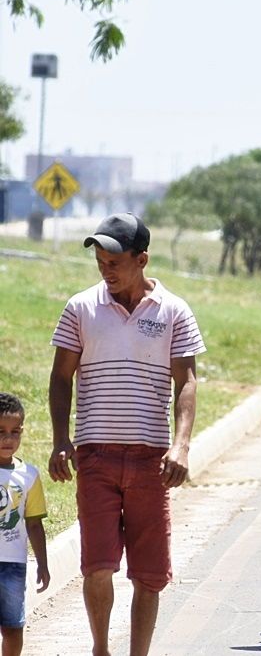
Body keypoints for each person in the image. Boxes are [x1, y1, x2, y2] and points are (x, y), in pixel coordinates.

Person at [48, 212, 205, 656]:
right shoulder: (81, 308)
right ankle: (101, 649)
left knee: (149, 575)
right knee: (97, 566)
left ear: (142, 259)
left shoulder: (174, 310)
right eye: (100, 260)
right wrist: (62, 439)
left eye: (114, 260)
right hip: (95, 456)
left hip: (150, 461)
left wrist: (181, 445)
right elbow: (61, 378)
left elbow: (187, 381)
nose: (106, 268)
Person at [0, 393, 49, 656]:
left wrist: (42, 562)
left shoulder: (29, 475)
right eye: (0, 431)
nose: (8, 439)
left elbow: (34, 523)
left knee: (12, 627)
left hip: (13, 567)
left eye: (15, 432)